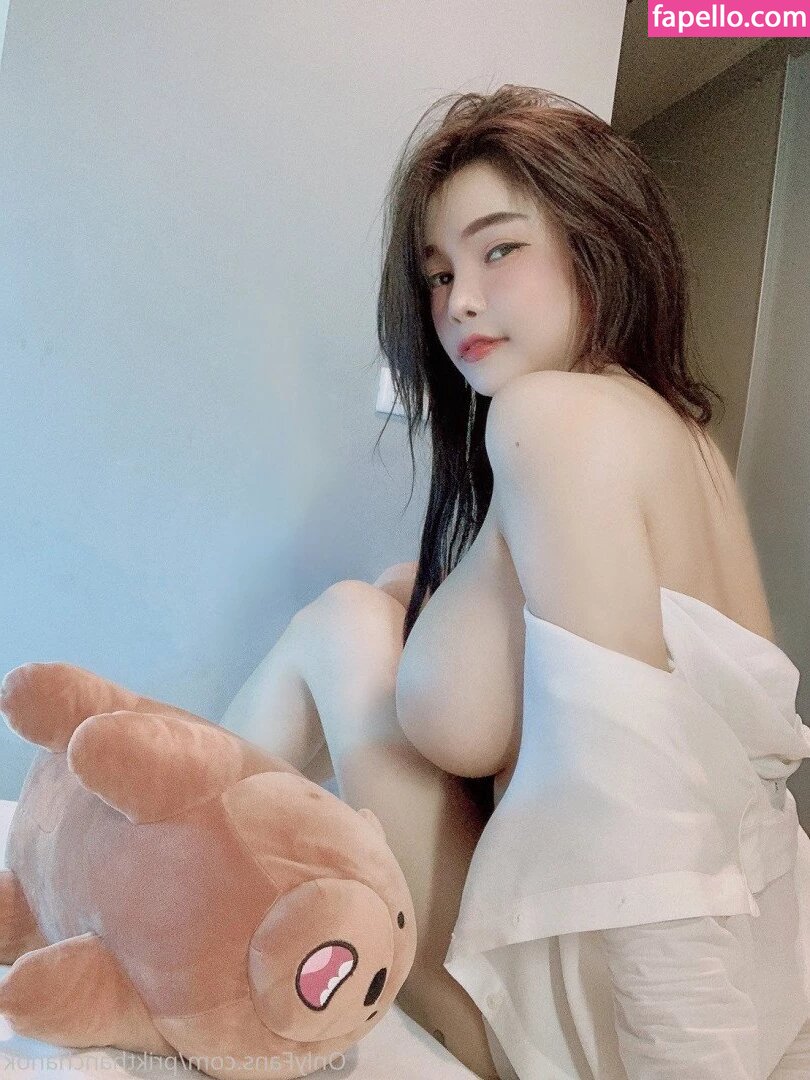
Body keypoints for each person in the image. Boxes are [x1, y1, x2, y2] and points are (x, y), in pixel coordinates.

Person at [220, 85, 810, 1078]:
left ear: (599, 242)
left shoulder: (551, 420)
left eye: (500, 250)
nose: (458, 301)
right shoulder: (674, 437)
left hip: (578, 1041)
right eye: (441, 273)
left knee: (343, 623)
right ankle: (163, 856)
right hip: (757, 980)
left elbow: (642, 807)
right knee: (377, 601)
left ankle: (159, 870)